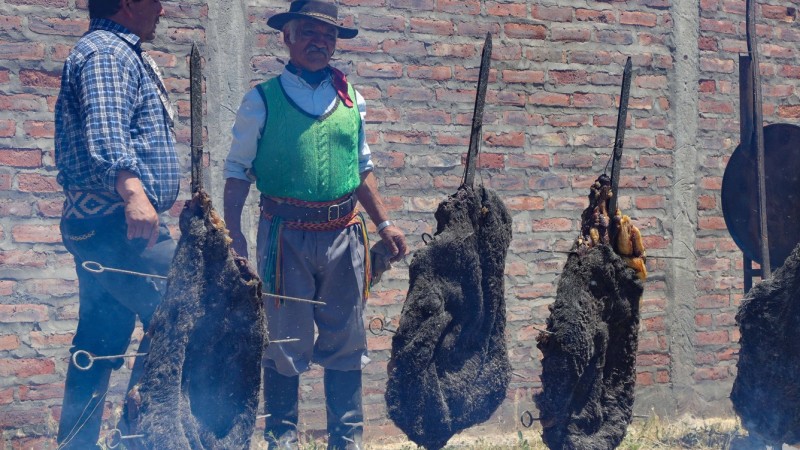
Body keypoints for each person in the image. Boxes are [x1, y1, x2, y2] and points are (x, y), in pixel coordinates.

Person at [223, 1, 407, 448]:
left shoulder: (351, 100)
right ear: (287, 36)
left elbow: (361, 170)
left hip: (345, 236)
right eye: (307, 32)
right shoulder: (262, 99)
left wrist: (384, 224)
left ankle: (347, 442)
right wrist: (234, 238)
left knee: (347, 343)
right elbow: (236, 173)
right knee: (285, 343)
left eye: (327, 35)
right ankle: (281, 441)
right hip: (283, 240)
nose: (317, 42)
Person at [53, 0, 178, 448]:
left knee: (99, 340)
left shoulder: (113, 49)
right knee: (184, 312)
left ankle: (78, 444)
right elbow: (107, 134)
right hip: (122, 225)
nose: (162, 9)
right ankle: (141, 440)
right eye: (155, 0)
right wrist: (133, 194)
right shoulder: (108, 51)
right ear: (129, 3)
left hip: (103, 225)